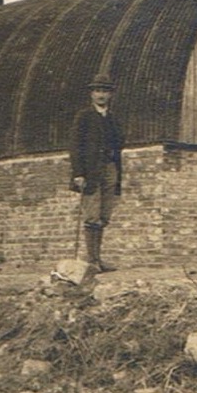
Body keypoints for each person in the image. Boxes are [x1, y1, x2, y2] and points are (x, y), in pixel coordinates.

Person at [69, 70, 124, 273]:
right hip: (91, 172)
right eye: (97, 91)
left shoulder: (113, 119)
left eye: (105, 91)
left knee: (104, 214)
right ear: (91, 94)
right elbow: (76, 147)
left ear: (110, 95)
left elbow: (119, 145)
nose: (101, 95)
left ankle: (98, 260)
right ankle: (91, 260)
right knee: (92, 215)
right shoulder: (84, 117)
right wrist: (78, 174)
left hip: (110, 169)